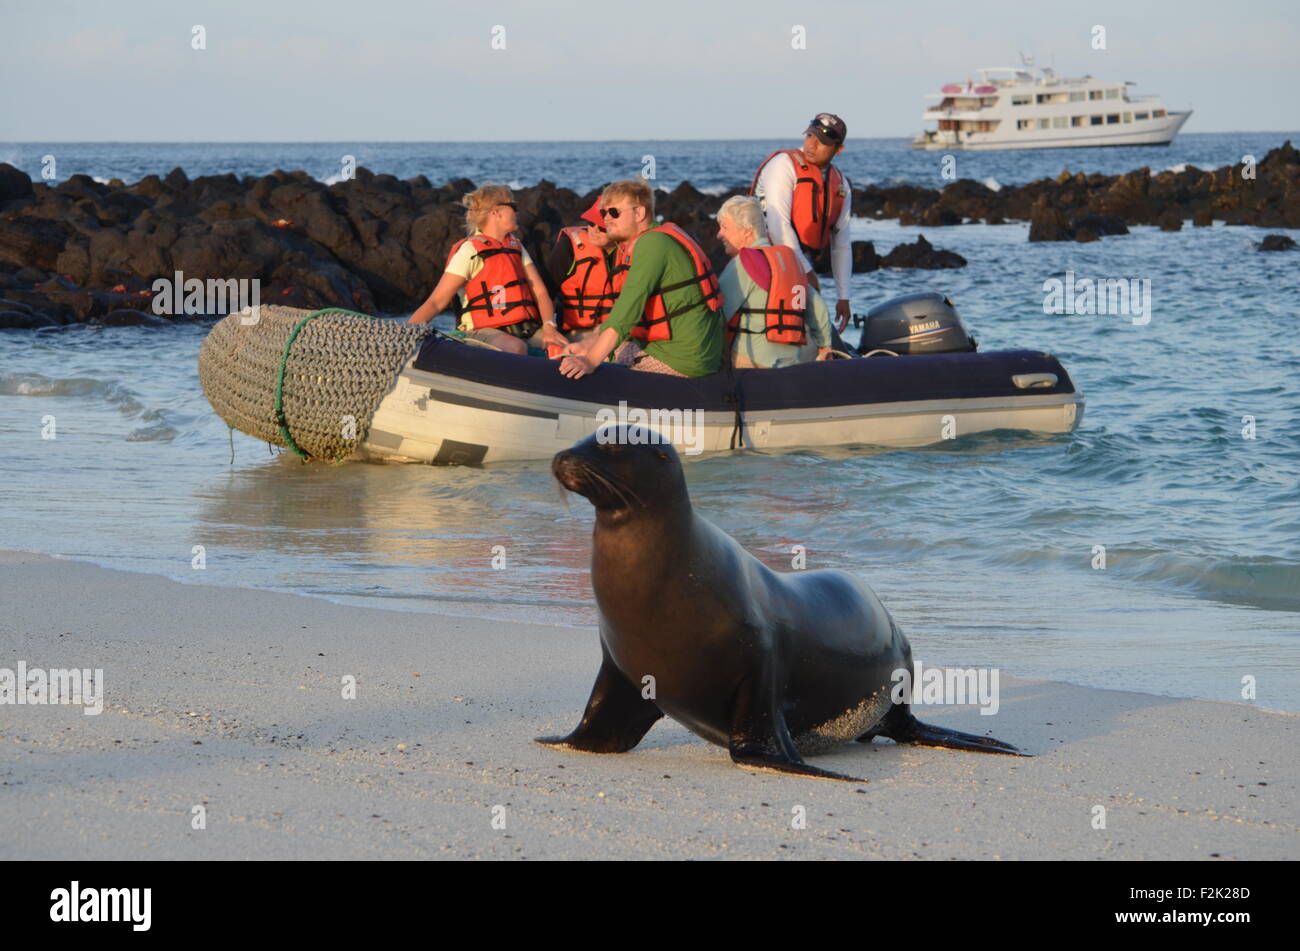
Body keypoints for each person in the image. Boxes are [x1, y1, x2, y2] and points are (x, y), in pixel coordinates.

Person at [558, 180, 723, 379]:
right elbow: (623, 314)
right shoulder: (648, 240)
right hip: (669, 347)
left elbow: (628, 310)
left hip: (682, 359)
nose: (606, 219)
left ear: (639, 214)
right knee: (597, 351)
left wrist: (590, 360)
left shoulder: (652, 243)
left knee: (600, 367)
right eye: (604, 213)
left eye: (614, 212)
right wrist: (587, 345)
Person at [407, 184, 565, 356]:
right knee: (516, 348)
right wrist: (404, 334)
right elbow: (436, 302)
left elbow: (541, 293)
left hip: (525, 328)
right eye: (513, 207)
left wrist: (549, 327)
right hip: (482, 331)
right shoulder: (470, 251)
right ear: (496, 212)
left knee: (563, 349)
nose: (517, 212)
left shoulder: (516, 247)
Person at [750, 113, 852, 333]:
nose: (811, 145)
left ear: (838, 149)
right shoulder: (782, 165)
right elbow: (778, 225)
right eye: (809, 136)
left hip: (798, 261)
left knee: (807, 329)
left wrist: (844, 297)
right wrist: (807, 273)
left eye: (822, 142)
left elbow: (842, 244)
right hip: (763, 260)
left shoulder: (841, 184)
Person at [715, 196, 834, 368]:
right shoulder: (789, 262)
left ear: (747, 231)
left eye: (724, 227)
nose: (719, 234)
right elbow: (819, 308)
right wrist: (825, 347)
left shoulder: (743, 263)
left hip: (751, 362)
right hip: (791, 361)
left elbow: (717, 316)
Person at [545, 198, 618, 342]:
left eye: (602, 227)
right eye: (591, 223)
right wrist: (549, 328)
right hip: (576, 330)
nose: (594, 230)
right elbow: (548, 292)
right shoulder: (568, 246)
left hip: (618, 329)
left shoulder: (631, 250)